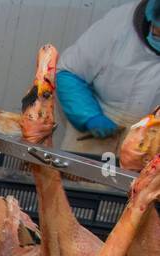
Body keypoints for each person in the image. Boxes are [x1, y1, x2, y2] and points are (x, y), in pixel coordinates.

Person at [57, 0, 160, 156]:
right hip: (97, 126)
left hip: (149, 144)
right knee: (75, 179)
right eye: (158, 32)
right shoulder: (119, 24)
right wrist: (89, 116)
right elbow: (69, 73)